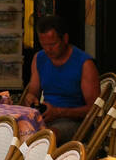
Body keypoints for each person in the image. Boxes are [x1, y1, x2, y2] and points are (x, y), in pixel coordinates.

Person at [21, 14, 101, 144]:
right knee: (13, 131)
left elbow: (94, 109)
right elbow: (32, 92)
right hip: (46, 117)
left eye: (52, 44)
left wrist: (59, 112)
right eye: (44, 45)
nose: (48, 49)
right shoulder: (39, 58)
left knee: (46, 137)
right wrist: (30, 98)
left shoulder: (84, 64)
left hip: (76, 122)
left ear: (65, 38)